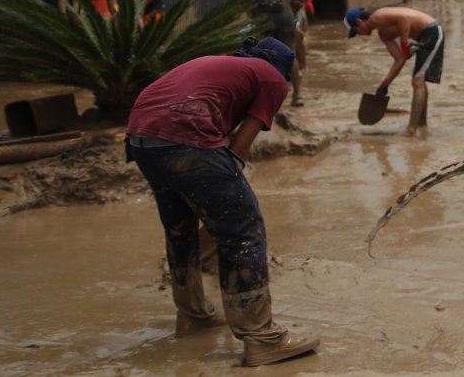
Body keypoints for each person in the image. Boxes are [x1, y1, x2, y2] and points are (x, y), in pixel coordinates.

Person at [125, 37, 319, 367]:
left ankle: (193, 314)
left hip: (141, 138)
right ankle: (260, 337)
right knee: (243, 231)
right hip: (186, 135)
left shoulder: (220, 65)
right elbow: (239, 149)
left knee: (180, 229)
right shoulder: (271, 77)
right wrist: (231, 193)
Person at [345, 6, 443, 136]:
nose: (359, 34)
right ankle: (421, 125)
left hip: (432, 31)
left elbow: (404, 19)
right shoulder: (383, 34)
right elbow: (399, 59)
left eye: (356, 31)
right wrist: (385, 84)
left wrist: (403, 44)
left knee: (417, 81)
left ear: (359, 22)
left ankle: (410, 131)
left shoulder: (378, 16)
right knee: (419, 81)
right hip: (422, 37)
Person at [239, 0, 307, 104]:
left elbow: (247, 8)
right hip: (284, 16)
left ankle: (270, 98)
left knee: (265, 58)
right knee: (290, 54)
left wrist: (254, 22)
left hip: (263, 20)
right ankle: (297, 96)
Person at [264, 0, 310, 106]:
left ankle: (296, 89)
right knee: (281, 54)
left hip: (293, 13)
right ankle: (286, 90)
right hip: (277, 16)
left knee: (295, 48)